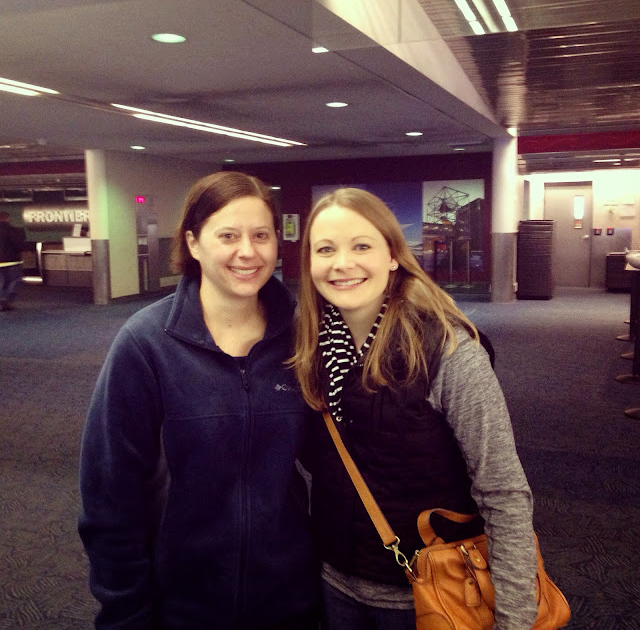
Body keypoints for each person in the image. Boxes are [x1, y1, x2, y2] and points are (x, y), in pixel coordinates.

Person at [78, 171, 319, 630]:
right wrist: (125, 611)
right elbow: (109, 495)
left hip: (289, 601)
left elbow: (333, 459)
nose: (247, 252)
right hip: (181, 606)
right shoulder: (147, 343)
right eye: (228, 235)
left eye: (261, 235)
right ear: (193, 242)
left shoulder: (300, 337)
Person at [290, 188, 538, 629]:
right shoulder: (308, 350)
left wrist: (515, 619)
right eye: (325, 249)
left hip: (430, 593)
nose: (341, 263)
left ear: (392, 256)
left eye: (361, 246)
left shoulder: (448, 351)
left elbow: (503, 491)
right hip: (333, 581)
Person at [0, 210, 26, 311]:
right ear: (8, 218)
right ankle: (6, 300)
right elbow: (19, 245)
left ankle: (3, 299)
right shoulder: (13, 230)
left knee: (3, 281)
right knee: (15, 280)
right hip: (12, 261)